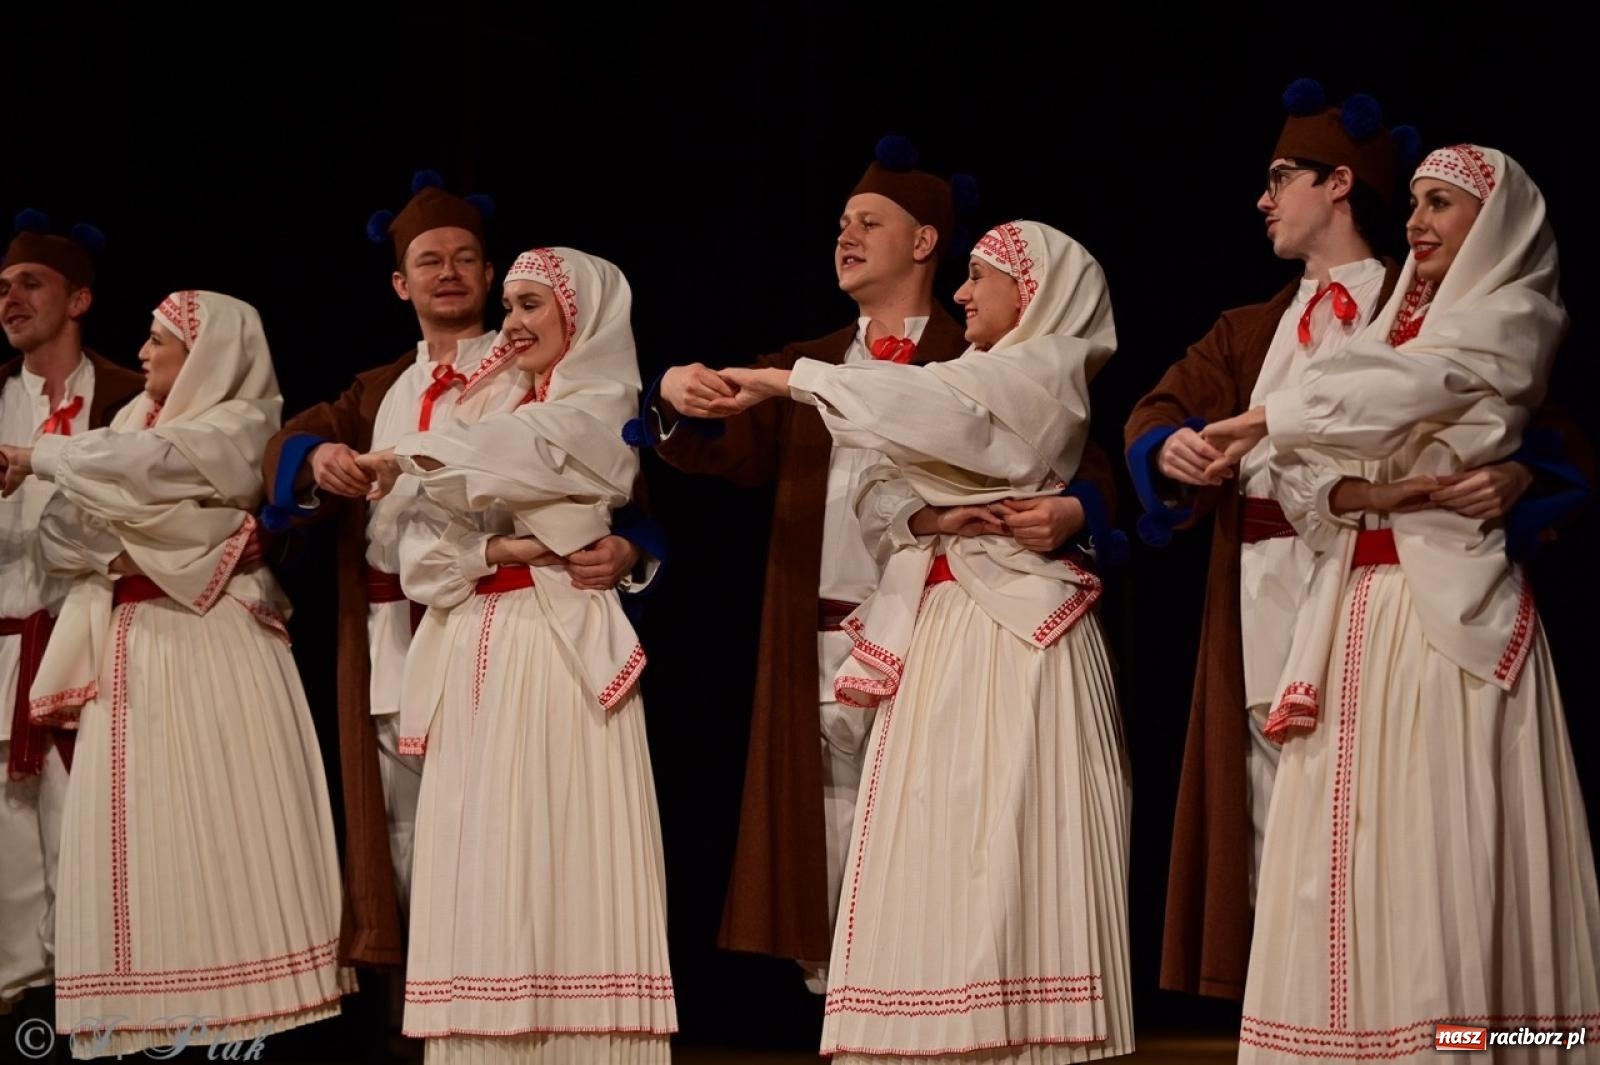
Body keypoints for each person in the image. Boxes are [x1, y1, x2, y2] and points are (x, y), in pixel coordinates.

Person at [638, 139, 1121, 986]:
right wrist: (675, 397)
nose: (846, 236)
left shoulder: (986, 350)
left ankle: (942, 1005)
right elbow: (722, 448)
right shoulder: (803, 356)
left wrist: (1080, 508)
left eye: (869, 222)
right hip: (821, 632)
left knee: (935, 833)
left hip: (947, 631)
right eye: (841, 224)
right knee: (827, 841)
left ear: (926, 241)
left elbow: (1073, 457)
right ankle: (856, 1022)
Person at [1122, 81, 1555, 999]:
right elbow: (1158, 413)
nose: (1264, 198)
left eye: (1282, 177)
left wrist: (1523, 476)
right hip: (1277, 579)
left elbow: (1515, 414)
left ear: (1340, 182)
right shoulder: (1250, 328)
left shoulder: (1428, 301)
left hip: (1399, 584)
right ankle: (1318, 1012)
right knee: (1285, 801)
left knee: (1405, 807)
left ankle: (1437, 1016)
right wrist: (1178, 448)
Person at [1202, 145, 1600, 1062]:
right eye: (1415, 203)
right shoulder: (1384, 325)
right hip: (1354, 603)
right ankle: (1352, 1042)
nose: (1419, 222)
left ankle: (1461, 1039)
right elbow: (1309, 478)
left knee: (1441, 840)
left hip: (1443, 613)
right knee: (1346, 843)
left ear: (1493, 226)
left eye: (1444, 206)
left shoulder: (1513, 315)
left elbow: (1411, 389)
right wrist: (1365, 494)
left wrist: (1273, 416)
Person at [718, 219, 1132, 1062]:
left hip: (1015, 637)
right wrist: (935, 513)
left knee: (1012, 830)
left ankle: (1022, 1032)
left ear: (1038, 293)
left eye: (981, 277)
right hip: (940, 627)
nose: (965, 291)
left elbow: (932, 410)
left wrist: (784, 379)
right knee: (926, 833)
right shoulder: (962, 378)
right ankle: (927, 1033)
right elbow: (876, 487)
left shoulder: (1038, 372)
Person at [260, 173, 657, 972]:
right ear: (401, 282)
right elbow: (280, 451)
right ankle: (425, 999)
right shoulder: (379, 390)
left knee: (498, 820)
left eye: (467, 258)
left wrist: (635, 549)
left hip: (497, 621)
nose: (450, 272)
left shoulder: (533, 364)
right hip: (389, 630)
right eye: (430, 260)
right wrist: (323, 458)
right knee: (406, 831)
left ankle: (503, 982)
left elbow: (611, 475)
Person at [2, 291, 346, 1057]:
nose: (146, 354)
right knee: (141, 827)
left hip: (214, 641)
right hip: (133, 643)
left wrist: (49, 462)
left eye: (160, 342)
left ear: (209, 356)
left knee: (230, 823)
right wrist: (165, 541)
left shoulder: (240, 421)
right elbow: (61, 531)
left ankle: (250, 1012)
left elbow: (149, 470)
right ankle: (156, 1009)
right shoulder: (124, 426)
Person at [359, 248, 675, 1063]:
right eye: (512, 306)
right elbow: (422, 554)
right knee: (482, 841)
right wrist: (503, 540)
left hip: (557, 646)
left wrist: (416, 455)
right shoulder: (490, 403)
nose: (514, 322)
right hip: (474, 644)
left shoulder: (598, 402)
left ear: (582, 315)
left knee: (565, 835)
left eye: (533, 304)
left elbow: (538, 446)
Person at [0, 212, 143, 1021]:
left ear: (79, 298)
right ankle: (22, 1009)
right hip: (3, 649)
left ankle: (97, 1001)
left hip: (94, 646)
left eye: (31, 283)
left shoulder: (130, 396)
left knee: (94, 836)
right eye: (3, 287)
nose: (11, 298)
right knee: (11, 848)